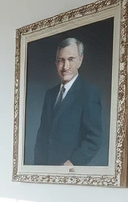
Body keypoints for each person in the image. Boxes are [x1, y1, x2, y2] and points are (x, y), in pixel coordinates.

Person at [32, 37, 104, 167]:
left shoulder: (89, 92)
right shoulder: (50, 94)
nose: (66, 66)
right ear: (56, 63)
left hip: (70, 172)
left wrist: (72, 163)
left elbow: (94, 138)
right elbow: (42, 135)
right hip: (45, 170)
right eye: (61, 60)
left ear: (80, 60)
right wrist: (38, 166)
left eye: (71, 59)